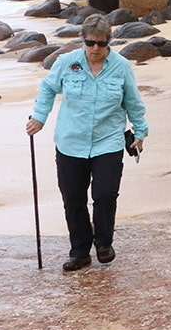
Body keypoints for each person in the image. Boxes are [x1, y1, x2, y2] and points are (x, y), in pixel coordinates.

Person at [25, 15, 148, 272]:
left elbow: (133, 102)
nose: (95, 49)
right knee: (73, 199)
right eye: (90, 42)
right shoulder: (67, 63)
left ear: (108, 43)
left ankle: (104, 244)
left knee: (104, 195)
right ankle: (80, 252)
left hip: (108, 142)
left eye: (101, 44)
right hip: (71, 142)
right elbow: (48, 88)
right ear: (83, 40)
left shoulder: (121, 66)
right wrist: (39, 117)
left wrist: (140, 131)